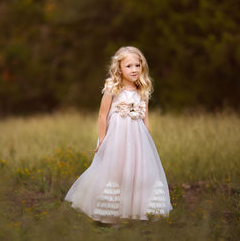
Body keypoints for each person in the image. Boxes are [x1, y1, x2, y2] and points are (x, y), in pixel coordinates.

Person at [64, 46, 172, 223]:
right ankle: (109, 214)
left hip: (138, 138)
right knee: (115, 172)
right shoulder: (113, 87)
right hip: (117, 139)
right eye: (128, 66)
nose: (134, 70)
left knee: (137, 173)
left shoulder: (142, 89)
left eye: (137, 65)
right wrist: (101, 140)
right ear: (119, 68)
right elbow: (102, 115)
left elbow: (145, 117)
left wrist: (148, 140)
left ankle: (135, 211)